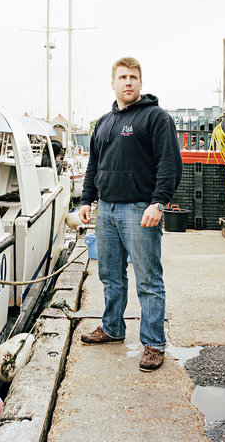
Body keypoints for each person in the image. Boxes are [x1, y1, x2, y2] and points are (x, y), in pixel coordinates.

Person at [78, 57, 182, 372]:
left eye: (133, 77)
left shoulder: (156, 118)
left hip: (140, 210)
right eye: (122, 77)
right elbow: (94, 164)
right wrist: (86, 199)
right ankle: (112, 328)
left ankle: (153, 343)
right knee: (110, 275)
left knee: (148, 280)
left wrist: (158, 202)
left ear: (140, 82)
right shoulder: (103, 122)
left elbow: (169, 162)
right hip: (106, 210)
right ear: (113, 83)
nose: (128, 82)